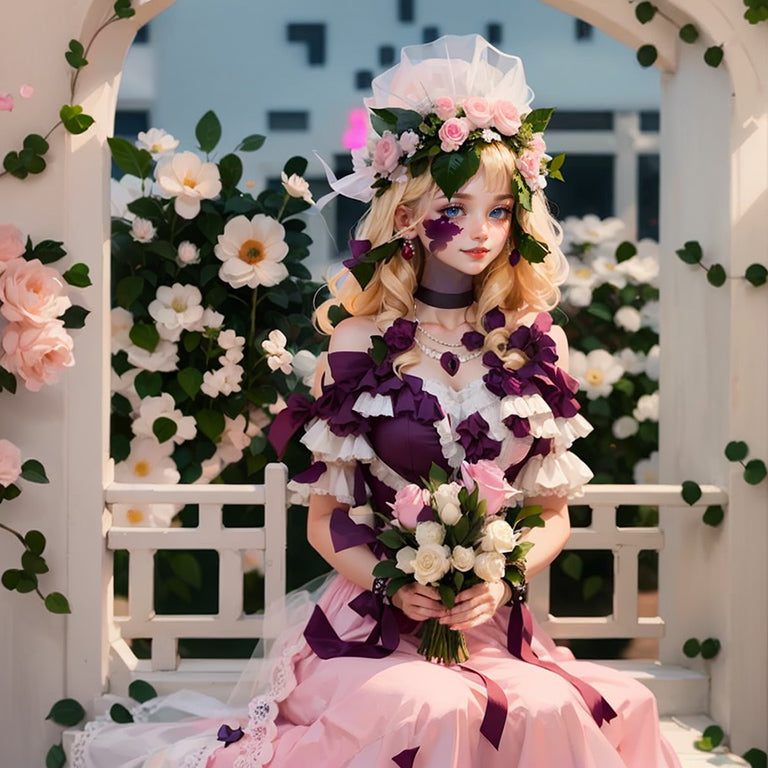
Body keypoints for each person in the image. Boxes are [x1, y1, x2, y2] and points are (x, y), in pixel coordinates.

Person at [73, 34, 680, 768]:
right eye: (456, 207)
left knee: (569, 704)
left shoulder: (531, 339)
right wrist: (397, 582)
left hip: (493, 624)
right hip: (369, 627)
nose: (481, 232)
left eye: (499, 210)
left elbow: (551, 513)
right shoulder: (360, 342)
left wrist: (502, 577)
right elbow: (327, 523)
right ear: (406, 213)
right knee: (437, 703)